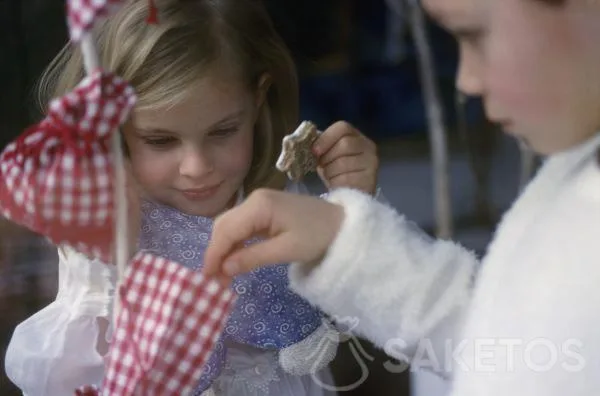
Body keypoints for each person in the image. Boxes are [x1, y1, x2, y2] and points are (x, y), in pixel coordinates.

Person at [203, 0, 600, 395]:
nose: (465, 81)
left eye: (475, 35)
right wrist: (346, 245)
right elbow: (512, 339)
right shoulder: (573, 179)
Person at [3, 0, 379, 395]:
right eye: (160, 140)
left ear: (257, 99)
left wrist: (356, 210)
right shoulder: (104, 234)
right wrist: (115, 260)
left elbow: (362, 312)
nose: (197, 167)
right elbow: (71, 380)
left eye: (223, 131)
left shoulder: (279, 196)